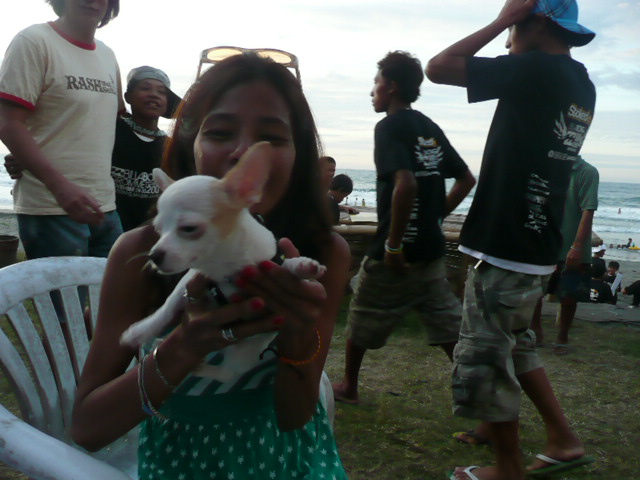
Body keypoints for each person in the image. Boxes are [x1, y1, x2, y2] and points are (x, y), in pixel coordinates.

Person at [70, 53, 350, 480]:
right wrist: (185, 345)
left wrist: (296, 335)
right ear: (190, 144)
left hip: (289, 462)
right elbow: (88, 428)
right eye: (219, 132)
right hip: (180, 464)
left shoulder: (322, 253)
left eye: (272, 137)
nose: (242, 152)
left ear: (299, 155)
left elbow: (294, 416)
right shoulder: (141, 253)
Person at [426, 0, 596, 478]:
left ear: (536, 22)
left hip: (508, 239)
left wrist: (502, 16)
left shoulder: (538, 69)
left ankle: (507, 468)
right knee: (517, 343)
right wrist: (512, 19)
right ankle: (562, 440)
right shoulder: (578, 79)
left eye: (512, 27)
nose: (505, 39)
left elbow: (438, 68)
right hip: (537, 239)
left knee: (486, 353)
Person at [332, 51, 476, 405]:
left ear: (392, 86)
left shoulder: (388, 126)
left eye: (376, 82)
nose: (372, 91)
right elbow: (466, 179)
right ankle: (475, 395)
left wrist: (394, 244)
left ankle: (349, 386)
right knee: (446, 325)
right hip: (429, 248)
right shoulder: (428, 127)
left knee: (362, 314)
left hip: (394, 253)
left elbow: (406, 183)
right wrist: (434, 218)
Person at [0, 0, 123, 260]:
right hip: (50, 207)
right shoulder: (33, 41)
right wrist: (59, 186)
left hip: (105, 206)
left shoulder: (108, 55)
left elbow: (108, 122)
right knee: (64, 289)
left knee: (111, 287)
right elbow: (8, 122)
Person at [530, 155, 598, 353]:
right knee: (534, 292)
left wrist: (577, 246)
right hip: (544, 244)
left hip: (572, 246)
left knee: (569, 295)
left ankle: (563, 337)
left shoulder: (586, 172)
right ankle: (536, 331)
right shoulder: (547, 168)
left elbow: (588, 210)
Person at [111, 66, 181, 231]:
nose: (154, 94)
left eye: (161, 92)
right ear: (127, 97)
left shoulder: (171, 146)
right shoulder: (111, 132)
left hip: (150, 233)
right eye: (145, 88)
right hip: (109, 229)